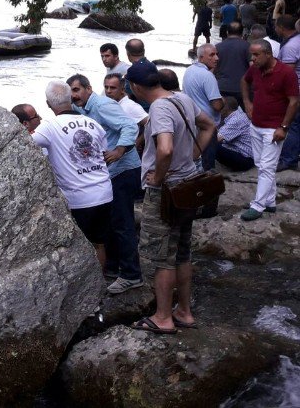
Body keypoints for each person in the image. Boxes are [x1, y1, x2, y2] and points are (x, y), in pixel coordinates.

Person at [126, 59, 216, 334]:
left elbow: (164, 149)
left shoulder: (159, 107)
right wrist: (194, 155)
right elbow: (209, 124)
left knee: (162, 256)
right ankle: (184, 312)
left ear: (136, 87)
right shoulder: (181, 98)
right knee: (182, 252)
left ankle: (163, 317)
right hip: (188, 185)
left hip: (167, 191)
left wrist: (158, 176)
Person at [68, 74, 143, 294]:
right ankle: (112, 266)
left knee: (123, 224)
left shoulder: (101, 105)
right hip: (109, 173)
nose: (74, 95)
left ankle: (131, 275)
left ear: (88, 89)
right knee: (111, 223)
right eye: (70, 91)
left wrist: (119, 150)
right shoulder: (82, 107)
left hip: (124, 169)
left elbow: (130, 126)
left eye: (77, 90)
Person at [31, 81, 113, 269]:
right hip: (104, 192)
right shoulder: (93, 124)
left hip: (78, 198)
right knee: (99, 243)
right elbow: (102, 153)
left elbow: (26, 143)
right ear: (71, 99)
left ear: (48, 104)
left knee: (79, 246)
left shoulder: (49, 126)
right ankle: (99, 286)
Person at [240, 39, 300, 220]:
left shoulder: (286, 73)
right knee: (262, 165)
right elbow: (244, 80)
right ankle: (270, 202)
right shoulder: (255, 69)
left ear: (268, 54)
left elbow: (294, 101)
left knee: (266, 167)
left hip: (274, 129)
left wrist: (283, 127)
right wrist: (247, 102)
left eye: (256, 55)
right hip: (256, 125)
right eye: (252, 54)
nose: (253, 59)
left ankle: (257, 205)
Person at [182, 43, 224, 170]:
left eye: (217, 54)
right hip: (207, 126)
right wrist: (223, 101)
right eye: (212, 55)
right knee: (207, 163)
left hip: (193, 122)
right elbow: (217, 105)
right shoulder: (207, 76)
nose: (216, 58)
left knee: (195, 159)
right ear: (201, 58)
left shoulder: (190, 70)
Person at [276, 15, 300, 171]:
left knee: (293, 125)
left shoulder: (291, 46)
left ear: (281, 28)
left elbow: (287, 74)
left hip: (296, 91)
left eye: (276, 27)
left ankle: (288, 159)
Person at [215, 97, 255, 171]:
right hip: (247, 156)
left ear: (224, 109)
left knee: (212, 146)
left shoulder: (235, 120)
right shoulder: (240, 115)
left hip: (246, 160)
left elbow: (216, 139)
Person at [215, 22, 250, 100]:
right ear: (242, 32)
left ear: (227, 32)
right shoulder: (247, 46)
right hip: (241, 89)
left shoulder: (217, 47)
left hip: (221, 87)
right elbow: (253, 67)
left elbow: (213, 68)